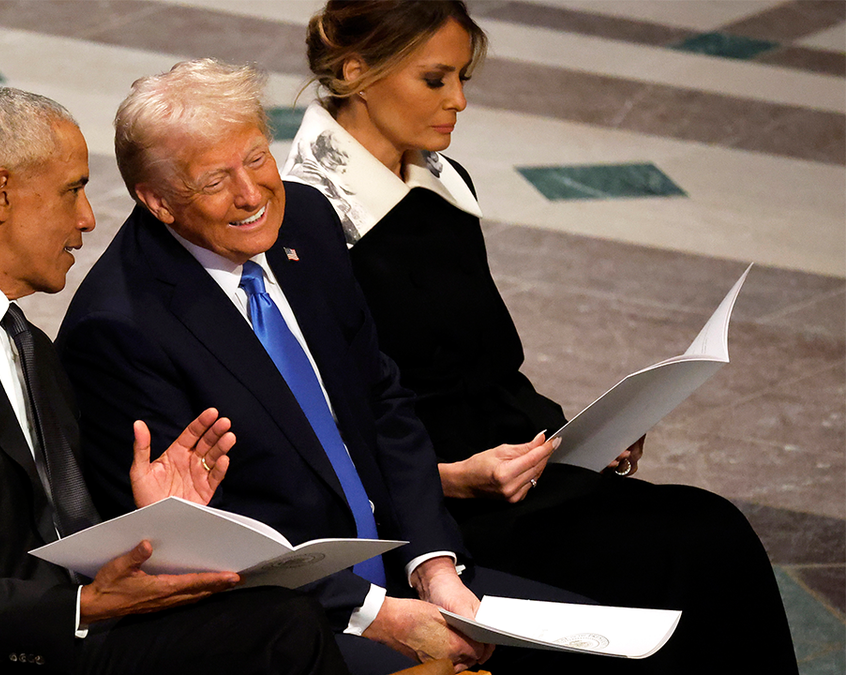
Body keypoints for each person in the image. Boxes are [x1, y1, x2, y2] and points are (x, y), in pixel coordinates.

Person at [56, 59, 663, 675]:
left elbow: (382, 402)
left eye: (258, 159)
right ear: (156, 199)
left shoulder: (308, 221)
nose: (252, 195)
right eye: (214, 181)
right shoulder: (118, 329)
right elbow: (190, 541)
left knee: (616, 658)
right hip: (291, 618)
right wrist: (379, 614)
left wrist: (434, 568)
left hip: (405, 567)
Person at [282, 1, 798, 673]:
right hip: (435, 511)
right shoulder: (304, 219)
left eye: (464, 78)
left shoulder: (445, 182)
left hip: (521, 474)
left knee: (709, 532)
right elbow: (321, 427)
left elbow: (481, 366)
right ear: (356, 71)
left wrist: (583, 432)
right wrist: (454, 479)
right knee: (688, 547)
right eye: (436, 79)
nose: (459, 101)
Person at [0, 86, 349, 675]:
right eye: (73, 190)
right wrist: (76, 607)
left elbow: (44, 524)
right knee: (281, 634)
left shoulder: (26, 342)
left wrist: (159, 522)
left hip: (64, 639)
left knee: (280, 616)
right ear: (1, 193)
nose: (88, 219)